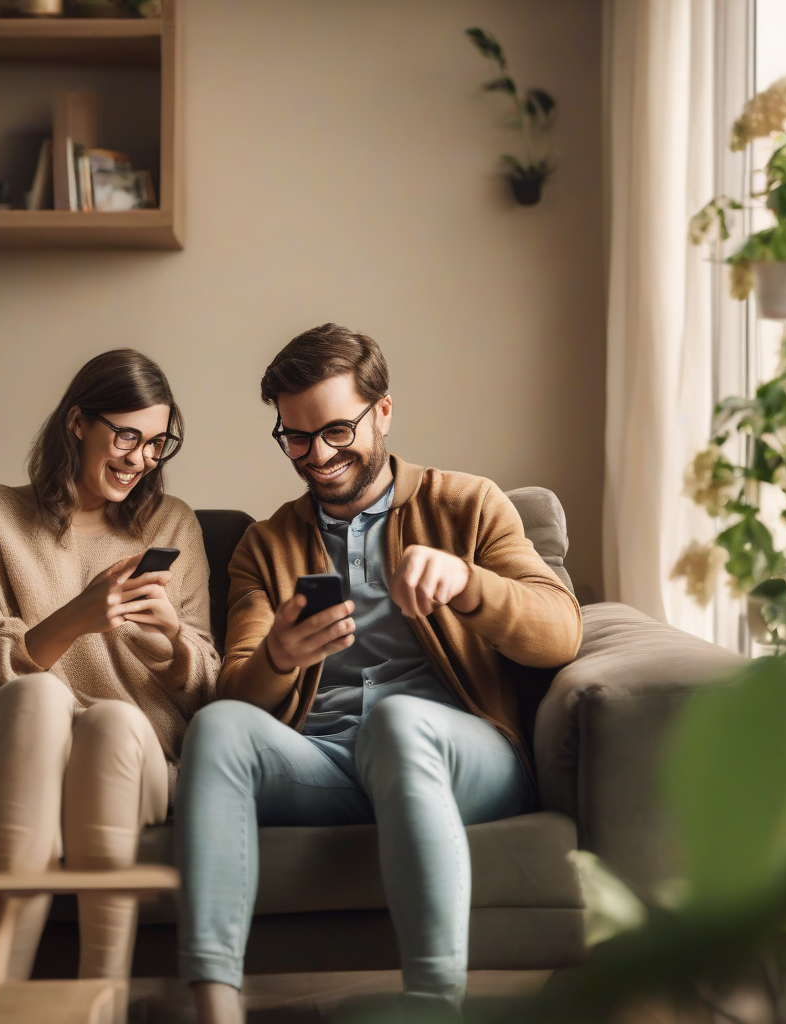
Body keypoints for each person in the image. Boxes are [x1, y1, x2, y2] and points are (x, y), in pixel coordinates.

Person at [174, 324, 582, 1023]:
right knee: (217, 727)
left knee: (396, 721)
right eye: (296, 437)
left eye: (337, 429)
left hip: (460, 755)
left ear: (382, 412)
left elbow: (560, 631)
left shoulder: (470, 504)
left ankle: (432, 1006)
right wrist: (279, 657)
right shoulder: (265, 546)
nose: (319, 455)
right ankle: (216, 1006)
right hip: (326, 764)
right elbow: (234, 687)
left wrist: (467, 581)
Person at [0, 349, 219, 981]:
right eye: (127, 435)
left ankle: (99, 1000)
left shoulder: (173, 525)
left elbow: (208, 687)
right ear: (78, 423)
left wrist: (171, 637)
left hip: (125, 755)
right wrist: (76, 617)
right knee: (42, 699)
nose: (140, 459)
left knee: (110, 721)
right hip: (3, 741)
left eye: (157, 444)